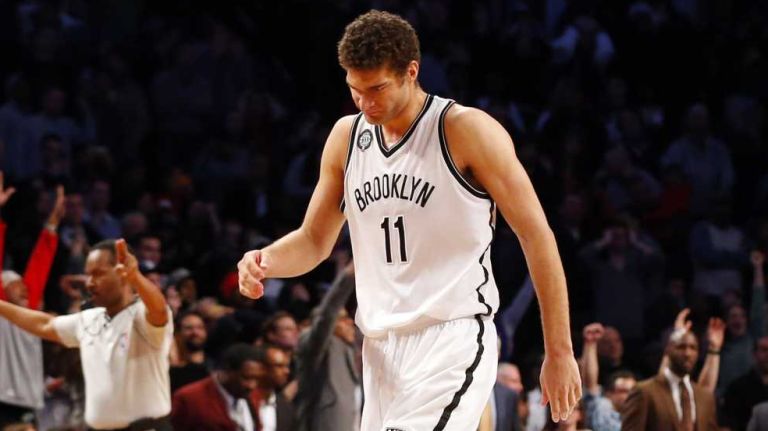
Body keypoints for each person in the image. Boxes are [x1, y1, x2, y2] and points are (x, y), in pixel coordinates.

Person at [238, 9, 581, 430]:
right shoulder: (347, 137)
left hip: (451, 338)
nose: (366, 103)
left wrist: (559, 351)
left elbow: (536, 235)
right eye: (355, 90)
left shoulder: (463, 130)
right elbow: (313, 241)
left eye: (377, 88)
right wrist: (266, 260)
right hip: (380, 349)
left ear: (411, 72)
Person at [0, 239, 173, 430]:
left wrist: (137, 278)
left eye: (98, 274)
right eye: (88, 275)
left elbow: (159, 311)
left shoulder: (141, 314)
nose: (90, 283)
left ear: (123, 273)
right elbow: (44, 324)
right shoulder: (89, 319)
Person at [0, 179, 64, 427]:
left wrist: (53, 223)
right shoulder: (3, 308)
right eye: (17, 284)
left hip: (27, 398)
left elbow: (41, 264)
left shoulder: (30, 313)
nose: (25, 287)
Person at [294, 265, 361, 431]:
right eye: (342, 319)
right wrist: (347, 277)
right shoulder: (317, 344)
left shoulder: (348, 348)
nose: (349, 322)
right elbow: (327, 314)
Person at [621, 329, 718, 431]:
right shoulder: (645, 392)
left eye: (693, 348)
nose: (687, 354)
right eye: (681, 347)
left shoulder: (705, 397)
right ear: (668, 350)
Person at [172, 343, 263, 431]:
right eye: (246, 378)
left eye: (257, 379)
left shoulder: (254, 396)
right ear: (228, 370)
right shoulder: (189, 398)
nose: (252, 385)